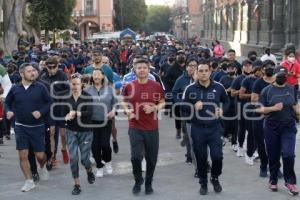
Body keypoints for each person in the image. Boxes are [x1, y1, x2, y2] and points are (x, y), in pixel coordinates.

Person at [182, 59, 229, 195]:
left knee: (217, 156)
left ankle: (215, 177)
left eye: (206, 71)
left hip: (214, 128)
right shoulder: (190, 89)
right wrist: (193, 106)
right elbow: (182, 107)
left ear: (210, 72)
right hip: (197, 128)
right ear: (196, 72)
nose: (203, 73)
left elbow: (226, 101)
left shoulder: (219, 87)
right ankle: (203, 182)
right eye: (200, 71)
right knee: (201, 158)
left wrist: (223, 110)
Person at [4, 63, 52, 192]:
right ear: (22, 74)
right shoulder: (15, 88)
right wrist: (8, 111)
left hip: (37, 126)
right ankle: (29, 181)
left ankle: (42, 167)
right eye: (29, 71)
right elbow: (7, 103)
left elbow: (49, 102)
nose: (33, 73)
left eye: (34, 71)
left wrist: (41, 112)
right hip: (20, 126)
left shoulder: (41, 87)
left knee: (40, 156)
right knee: (23, 155)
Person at [122, 57, 165, 195]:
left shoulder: (156, 86)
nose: (142, 70)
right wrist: (127, 110)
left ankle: (148, 183)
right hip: (135, 126)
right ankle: (138, 180)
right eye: (139, 68)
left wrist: (154, 108)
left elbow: (163, 102)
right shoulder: (129, 86)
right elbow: (123, 101)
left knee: (151, 158)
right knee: (135, 157)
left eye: (144, 68)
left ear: (148, 69)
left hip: (152, 128)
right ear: (135, 69)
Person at [256, 66, 299, 196]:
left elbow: (295, 106)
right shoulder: (266, 90)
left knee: (288, 154)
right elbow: (259, 109)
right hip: (271, 126)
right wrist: (273, 108)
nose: (282, 78)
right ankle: (273, 180)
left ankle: (290, 182)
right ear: (274, 76)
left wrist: (298, 113)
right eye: (279, 76)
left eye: (284, 76)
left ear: (287, 76)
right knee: (273, 155)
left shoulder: (291, 89)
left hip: (288, 126)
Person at [62, 73, 95, 195]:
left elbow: (89, 113)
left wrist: (75, 113)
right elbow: (62, 114)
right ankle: (77, 184)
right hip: (71, 131)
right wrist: (65, 116)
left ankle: (89, 170)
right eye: (72, 84)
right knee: (74, 158)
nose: (74, 86)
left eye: (76, 84)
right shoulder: (66, 98)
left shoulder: (88, 97)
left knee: (85, 159)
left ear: (81, 84)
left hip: (86, 131)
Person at [85, 67, 118, 178]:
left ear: (103, 76)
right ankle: (99, 166)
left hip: (106, 121)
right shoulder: (87, 90)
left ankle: (107, 162)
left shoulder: (109, 89)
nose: (96, 76)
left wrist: (113, 111)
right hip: (92, 122)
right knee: (95, 145)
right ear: (92, 77)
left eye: (99, 74)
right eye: (94, 75)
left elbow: (115, 103)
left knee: (105, 144)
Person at [39, 56, 70, 169]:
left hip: (61, 107)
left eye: (54, 67)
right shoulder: (43, 76)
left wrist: (57, 94)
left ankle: (64, 149)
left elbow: (68, 89)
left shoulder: (62, 75)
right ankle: (52, 157)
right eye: (49, 67)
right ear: (46, 66)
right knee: (51, 133)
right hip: (50, 109)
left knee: (62, 133)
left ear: (58, 66)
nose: (52, 69)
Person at [172, 57, 198, 164]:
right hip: (186, 112)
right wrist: (181, 103)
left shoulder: (202, 79)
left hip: (200, 113)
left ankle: (198, 155)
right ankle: (189, 155)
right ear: (186, 67)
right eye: (191, 66)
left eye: (195, 66)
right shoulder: (181, 80)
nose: (193, 68)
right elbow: (173, 93)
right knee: (188, 135)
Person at [230, 59, 253, 156]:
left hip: (252, 107)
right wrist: (242, 91)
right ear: (242, 67)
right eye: (245, 66)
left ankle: (252, 149)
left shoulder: (254, 78)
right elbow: (232, 93)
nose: (247, 67)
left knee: (252, 129)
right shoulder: (238, 79)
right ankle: (239, 146)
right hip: (240, 106)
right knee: (242, 128)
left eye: (249, 66)